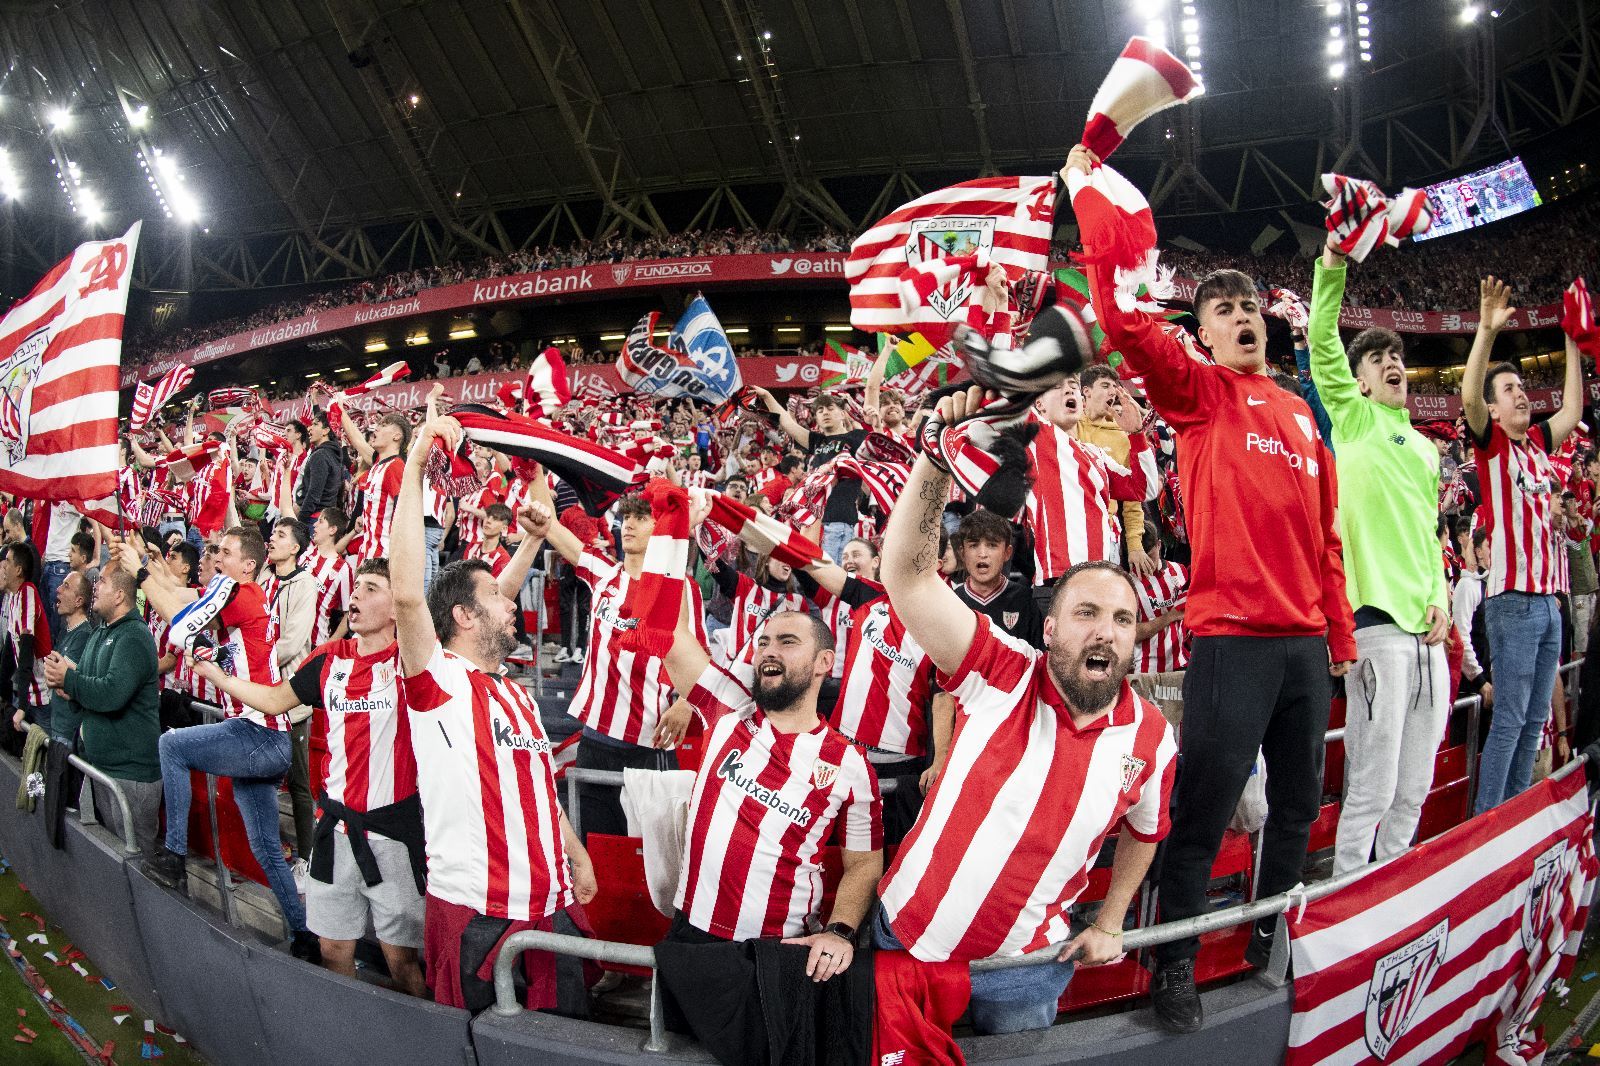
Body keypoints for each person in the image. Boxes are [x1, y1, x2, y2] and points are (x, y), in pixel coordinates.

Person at [1068, 143, 1354, 1034]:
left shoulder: (1302, 414)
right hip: (1231, 640)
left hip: (1305, 647)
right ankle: (1174, 966)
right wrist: (1093, 199)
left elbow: (1326, 538)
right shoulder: (1198, 393)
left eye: (1250, 307)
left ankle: (1273, 939)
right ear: (1203, 334)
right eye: (1223, 310)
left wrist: (1340, 639)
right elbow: (1125, 326)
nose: (1242, 318)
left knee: (1298, 809)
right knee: (1201, 814)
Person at [872, 385, 1176, 1035]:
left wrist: (1113, 919)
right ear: (1050, 624)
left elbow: (1148, 832)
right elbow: (909, 578)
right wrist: (934, 458)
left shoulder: (1152, 739)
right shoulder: (1004, 670)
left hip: (1026, 971)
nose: (1105, 631)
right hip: (907, 940)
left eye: (1122, 619)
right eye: (1086, 612)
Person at [391, 417, 596, 1010]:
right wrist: (415, 462)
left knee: (565, 1041)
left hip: (551, 902)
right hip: (479, 911)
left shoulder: (515, 692)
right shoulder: (437, 682)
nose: (512, 605)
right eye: (496, 599)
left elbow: (538, 787)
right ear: (462, 617)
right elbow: (408, 594)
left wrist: (575, 852)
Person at [193, 560, 427, 997]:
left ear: (398, 607)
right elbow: (274, 701)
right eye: (356, 586)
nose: (355, 595)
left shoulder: (412, 661)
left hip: (393, 835)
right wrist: (218, 677)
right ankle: (348, 1026)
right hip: (333, 830)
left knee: (401, 961)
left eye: (371, 588)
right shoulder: (329, 659)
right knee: (332, 949)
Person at [647, 541, 882, 970]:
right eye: (764, 642)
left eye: (787, 642)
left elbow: (864, 863)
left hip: (778, 953)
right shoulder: (726, 710)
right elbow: (668, 631)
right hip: (689, 933)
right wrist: (676, 531)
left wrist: (840, 930)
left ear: (823, 662)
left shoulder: (849, 764)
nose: (769, 650)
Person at [1309, 234, 1452, 874]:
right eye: (1376, 358)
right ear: (1360, 381)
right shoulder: (1354, 420)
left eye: (1396, 355)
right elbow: (1321, 341)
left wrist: (1441, 600)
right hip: (1375, 626)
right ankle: (1347, 892)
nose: (1391, 362)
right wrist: (1332, 265)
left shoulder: (1425, 450)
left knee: (1414, 785)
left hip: (1429, 634)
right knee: (1372, 783)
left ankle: (1390, 887)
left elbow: (1429, 536)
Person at [126, 526, 317, 960]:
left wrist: (139, 575)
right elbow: (182, 596)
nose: (215, 558)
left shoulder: (242, 594)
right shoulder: (240, 594)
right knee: (267, 849)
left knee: (172, 746)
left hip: (258, 732)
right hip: (271, 738)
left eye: (225, 552)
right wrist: (148, 564)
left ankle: (174, 857)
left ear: (248, 565)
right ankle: (303, 934)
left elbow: (179, 622)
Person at [1460, 276, 1585, 812]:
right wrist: (1486, 331)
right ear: (1493, 408)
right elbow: (1469, 396)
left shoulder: (1535, 445)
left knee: (1534, 722)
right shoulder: (1492, 447)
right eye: (1509, 389)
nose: (1521, 394)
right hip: (1512, 602)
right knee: (1510, 721)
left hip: (1549, 603)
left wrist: (1573, 341)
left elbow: (1573, 410)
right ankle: (1489, 822)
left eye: (1521, 387)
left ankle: (1513, 817)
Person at [530, 483, 704, 839]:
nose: (629, 525)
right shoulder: (604, 572)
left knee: (647, 852)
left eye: (642, 517)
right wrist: (534, 472)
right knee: (594, 841)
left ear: (661, 528)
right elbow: (550, 526)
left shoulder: (682, 588)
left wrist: (686, 703)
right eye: (627, 517)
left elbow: (701, 657)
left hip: (649, 742)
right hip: (596, 737)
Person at [43, 569, 162, 855]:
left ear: (119, 595)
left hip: (131, 773)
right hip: (103, 769)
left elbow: (111, 694)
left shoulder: (134, 636)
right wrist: (68, 688)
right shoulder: (101, 632)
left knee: (138, 862)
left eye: (103, 582)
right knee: (113, 858)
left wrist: (70, 681)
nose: (95, 587)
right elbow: (88, 683)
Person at [1023, 375, 1158, 616]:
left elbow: (1144, 489)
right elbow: (1006, 390)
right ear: (1039, 404)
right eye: (1057, 386)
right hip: (1059, 583)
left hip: (1099, 581)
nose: (1069, 391)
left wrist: (1136, 434)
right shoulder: (1035, 437)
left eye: (1073, 386)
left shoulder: (1095, 454)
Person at [261, 517, 320, 866]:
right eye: (272, 534)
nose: (272, 539)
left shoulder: (305, 584)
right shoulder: (263, 578)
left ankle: (307, 859)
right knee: (261, 778)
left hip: (289, 694)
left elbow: (294, 641)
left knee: (299, 783)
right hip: (259, 692)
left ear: (295, 548)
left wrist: (255, 660)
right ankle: (269, 850)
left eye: (280, 535)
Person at [750, 388, 866, 563]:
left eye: (830, 408)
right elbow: (786, 422)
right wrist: (767, 396)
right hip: (814, 522)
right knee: (817, 572)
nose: (825, 412)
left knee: (830, 572)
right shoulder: (817, 441)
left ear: (843, 414)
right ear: (816, 418)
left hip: (838, 520)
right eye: (820, 410)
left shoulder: (857, 437)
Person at [1073, 364, 1156, 575]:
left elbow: (1133, 498)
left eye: (1114, 386)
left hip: (1106, 530)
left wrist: (1135, 545)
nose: (1112, 392)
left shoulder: (1122, 436)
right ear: (1086, 391)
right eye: (1105, 385)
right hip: (1070, 526)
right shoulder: (1070, 424)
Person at [951, 508, 1043, 650]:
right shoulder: (951, 602)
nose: (982, 554)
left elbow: (1039, 658)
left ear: (1007, 553)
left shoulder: (1027, 601)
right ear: (962, 553)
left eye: (992, 545)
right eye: (974, 545)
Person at [344, 411, 411, 564]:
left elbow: (404, 515)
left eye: (384, 425)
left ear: (397, 436)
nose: (377, 429)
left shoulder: (395, 467)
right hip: (367, 552)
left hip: (382, 557)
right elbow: (357, 441)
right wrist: (340, 410)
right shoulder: (378, 464)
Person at [1, 542, 52, 733]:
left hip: (41, 696)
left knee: (45, 745)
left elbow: (26, 651)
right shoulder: (14, 597)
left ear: (18, 570)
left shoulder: (28, 592)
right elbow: (9, 652)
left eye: (7, 561)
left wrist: (22, 706)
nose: (3, 566)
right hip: (26, 692)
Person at [42, 572, 95, 747]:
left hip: (68, 732)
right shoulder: (67, 631)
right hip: (58, 725)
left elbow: (59, 682)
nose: (58, 589)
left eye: (66, 586)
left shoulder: (83, 635)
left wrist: (56, 676)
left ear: (79, 601)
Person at [296, 409, 347, 526]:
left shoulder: (320, 455)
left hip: (313, 519)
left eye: (315, 424)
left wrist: (301, 521)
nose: (309, 428)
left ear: (326, 430)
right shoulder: (332, 454)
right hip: (325, 518)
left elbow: (314, 494)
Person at [1562, 493, 1597, 645]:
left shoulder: (1586, 524)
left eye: (1575, 501)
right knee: (1581, 638)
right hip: (1579, 591)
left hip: (1593, 588)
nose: (1574, 505)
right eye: (1569, 502)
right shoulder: (1564, 532)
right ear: (1564, 507)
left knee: (1593, 633)